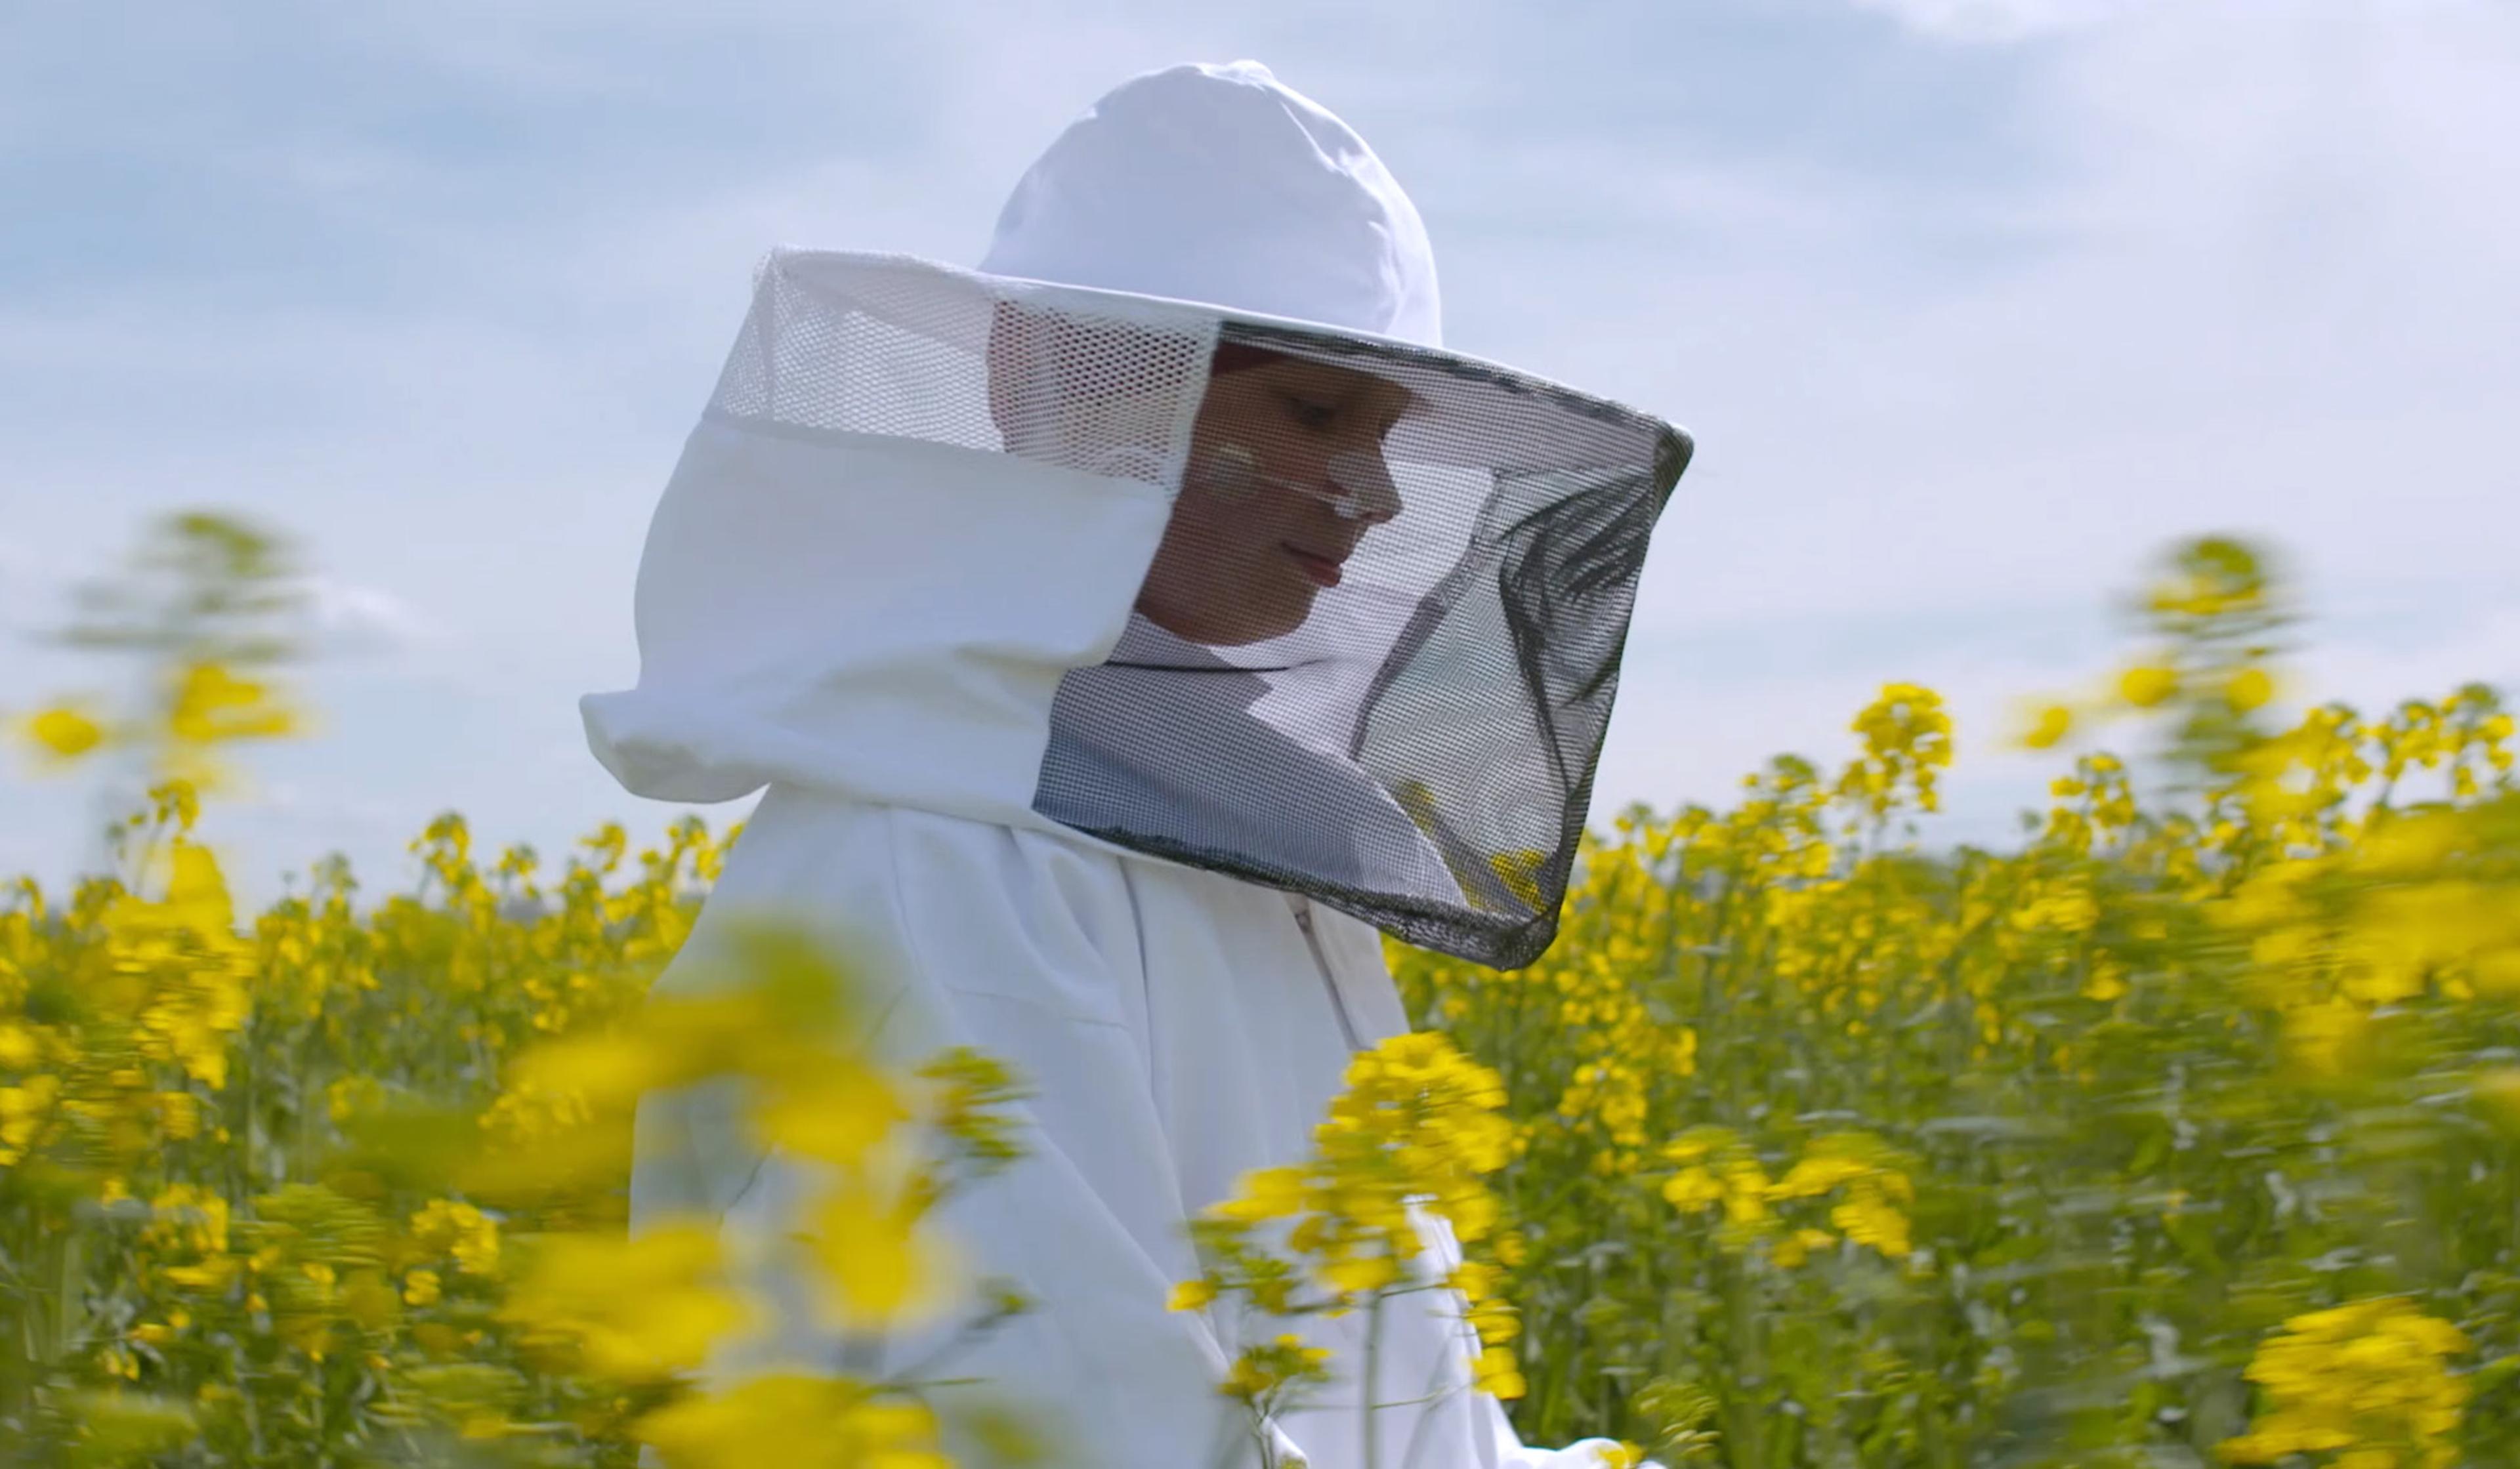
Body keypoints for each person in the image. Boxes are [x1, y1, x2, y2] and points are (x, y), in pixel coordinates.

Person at [583, 58, 1689, 1468]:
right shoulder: (937, 861)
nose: (1379, 494)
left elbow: (1395, 1407)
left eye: (1386, 431)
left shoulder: (1224, 823)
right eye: (1313, 413)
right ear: (1068, 385)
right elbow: (1056, 1424)